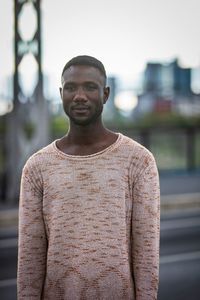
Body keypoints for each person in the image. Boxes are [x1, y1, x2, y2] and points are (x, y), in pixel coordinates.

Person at [18, 55, 160, 300]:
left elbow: (147, 258)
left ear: (105, 94)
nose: (79, 95)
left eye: (90, 87)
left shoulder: (138, 161)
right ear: (61, 93)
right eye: (71, 88)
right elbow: (30, 262)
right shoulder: (37, 167)